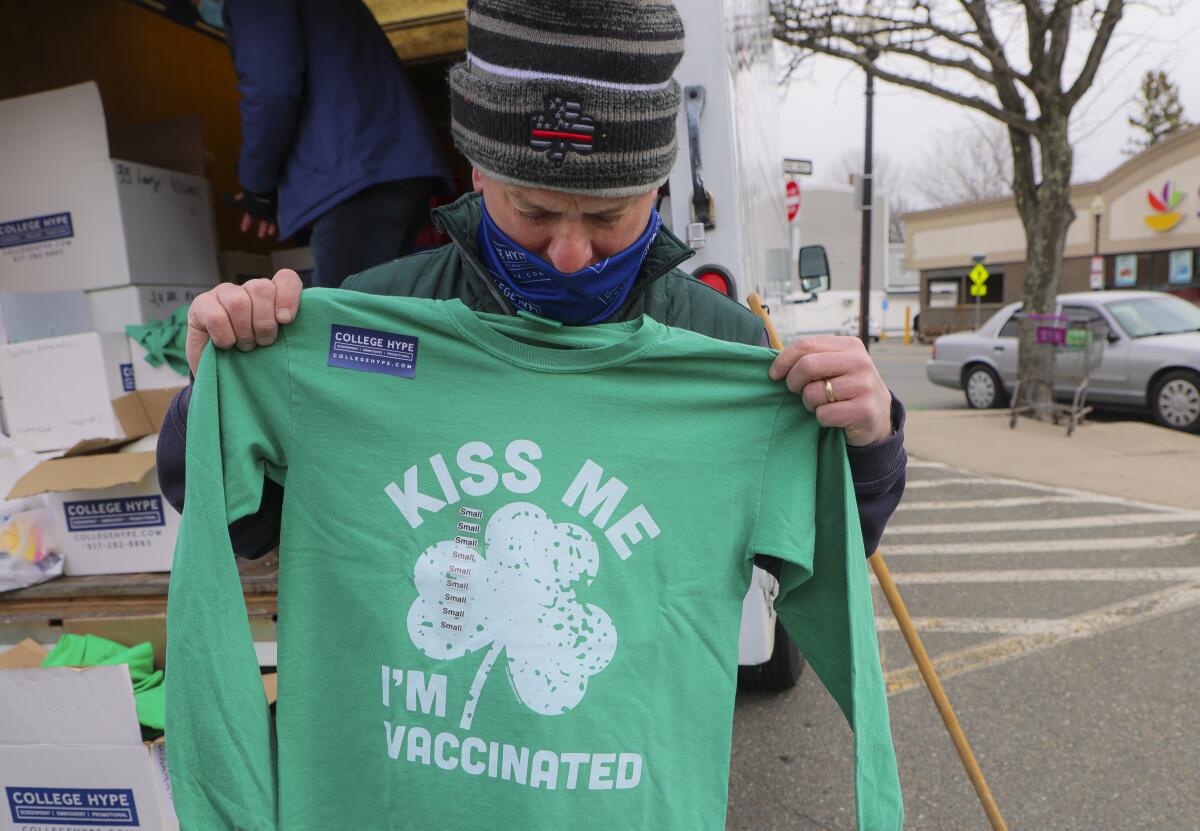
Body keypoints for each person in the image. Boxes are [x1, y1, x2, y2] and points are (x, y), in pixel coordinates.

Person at [160, 0, 906, 562]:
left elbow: (816, 552)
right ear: (478, 172)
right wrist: (218, 396)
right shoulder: (372, 320)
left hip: (618, 764)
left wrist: (869, 445)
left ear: (659, 186)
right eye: (535, 210)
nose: (571, 254)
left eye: (609, 215)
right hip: (419, 759)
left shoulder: (722, 346)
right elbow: (236, 524)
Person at [222, 0, 450, 287]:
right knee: (385, 318)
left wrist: (258, 184)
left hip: (357, 175)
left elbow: (271, 91)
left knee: (342, 323)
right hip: (388, 165)